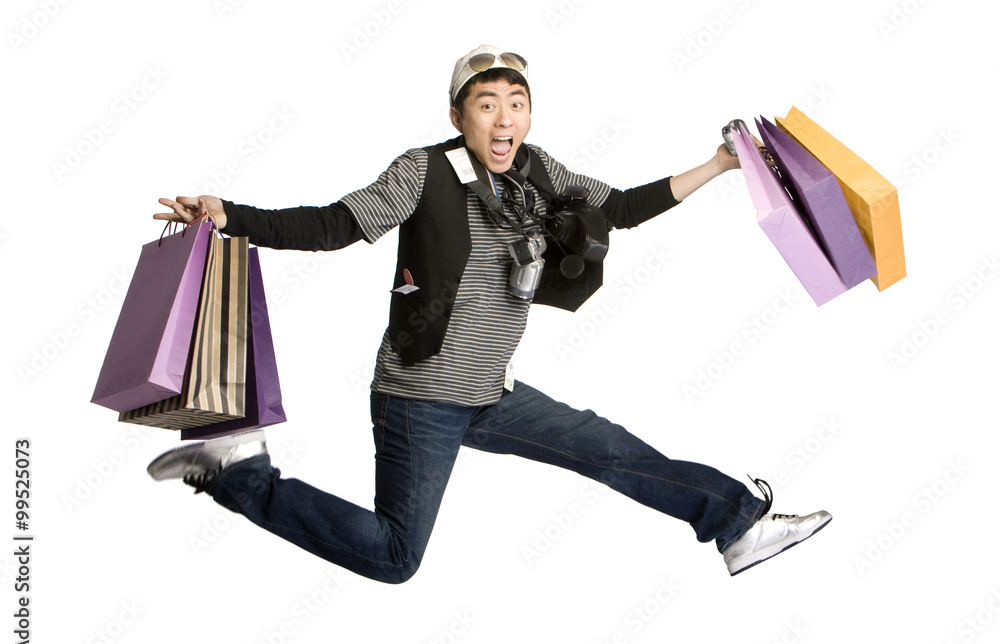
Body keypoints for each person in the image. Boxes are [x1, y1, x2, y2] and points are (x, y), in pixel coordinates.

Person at [147, 45, 831, 582]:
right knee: (395, 555)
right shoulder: (424, 171)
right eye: (486, 105)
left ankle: (738, 524)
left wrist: (718, 165)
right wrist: (231, 215)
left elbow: (618, 208)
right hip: (421, 397)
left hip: (491, 391)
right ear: (458, 116)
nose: (503, 120)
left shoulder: (537, 170)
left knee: (609, 450)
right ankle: (237, 471)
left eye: (516, 103)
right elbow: (334, 223)